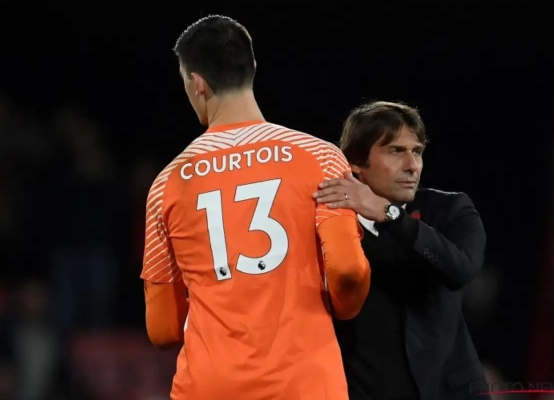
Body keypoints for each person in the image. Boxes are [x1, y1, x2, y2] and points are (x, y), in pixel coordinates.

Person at [140, 15, 371, 400]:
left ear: (197, 82)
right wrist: (340, 308)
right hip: (304, 385)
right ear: (252, 67)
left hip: (209, 387)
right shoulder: (320, 157)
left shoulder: (168, 183)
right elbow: (348, 271)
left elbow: (163, 328)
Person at [313, 101, 489, 400]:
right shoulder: (328, 225)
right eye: (395, 151)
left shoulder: (449, 209)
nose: (412, 166)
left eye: (417, 152)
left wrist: (389, 214)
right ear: (355, 163)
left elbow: (460, 269)